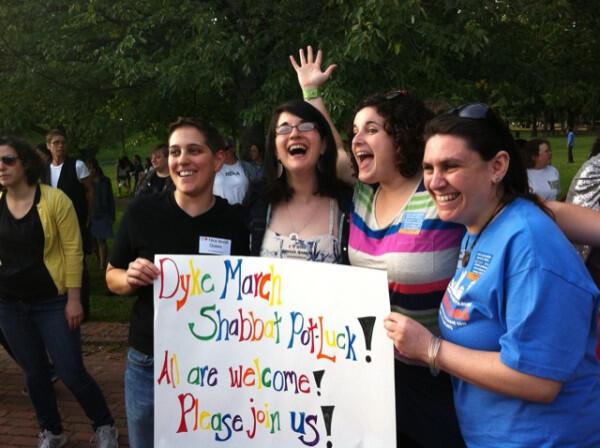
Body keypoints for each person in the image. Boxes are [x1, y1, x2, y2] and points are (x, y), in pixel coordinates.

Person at [385, 104, 600, 446]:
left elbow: (539, 381)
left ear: (497, 166)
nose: (434, 182)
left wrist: (431, 349)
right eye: (428, 168)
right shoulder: (479, 224)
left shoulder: (530, 247)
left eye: (450, 166)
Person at [291, 46, 465, 447]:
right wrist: (310, 91)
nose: (357, 140)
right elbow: (334, 149)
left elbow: (517, 208)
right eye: (355, 130)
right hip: (369, 373)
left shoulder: (439, 192)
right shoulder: (363, 194)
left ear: (402, 137)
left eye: (371, 129)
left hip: (435, 374)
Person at [106, 117, 249, 448]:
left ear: (217, 159)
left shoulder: (234, 222)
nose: (182, 159)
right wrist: (128, 278)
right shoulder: (142, 212)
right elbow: (111, 275)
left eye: (194, 150)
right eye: (174, 151)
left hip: (212, 363)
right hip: (150, 362)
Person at [0, 137, 118, 448]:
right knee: (34, 373)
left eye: (8, 160)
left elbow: (73, 251)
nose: (1, 167)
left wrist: (75, 299)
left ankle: (104, 424)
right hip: (10, 304)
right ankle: (51, 431)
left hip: (53, 302)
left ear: (26, 164)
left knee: (70, 370)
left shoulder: (55, 201)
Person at [245, 99, 352, 263]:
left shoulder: (347, 202)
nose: (295, 134)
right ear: (275, 151)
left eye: (306, 126)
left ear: (323, 144)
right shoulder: (257, 198)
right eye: (284, 129)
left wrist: (312, 92)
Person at [45, 128, 93, 320]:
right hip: (52, 223)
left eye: (63, 142)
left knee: (78, 261)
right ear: (49, 146)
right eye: (56, 143)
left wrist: (89, 216)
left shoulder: (77, 165)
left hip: (76, 220)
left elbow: (89, 191)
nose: (60, 146)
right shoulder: (44, 169)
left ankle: (83, 306)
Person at [87, 158, 115, 269]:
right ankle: (100, 259)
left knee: (101, 240)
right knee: (93, 242)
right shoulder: (86, 183)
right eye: (89, 168)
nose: (91, 170)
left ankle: (102, 264)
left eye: (92, 167)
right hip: (91, 214)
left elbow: (110, 199)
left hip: (103, 214)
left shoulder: (105, 181)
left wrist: (111, 215)